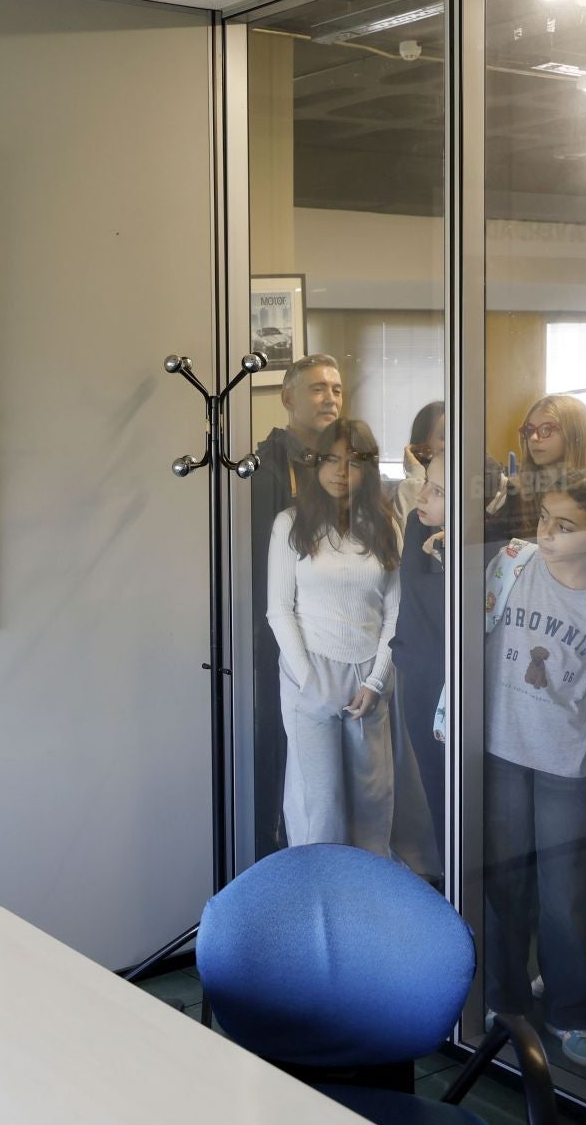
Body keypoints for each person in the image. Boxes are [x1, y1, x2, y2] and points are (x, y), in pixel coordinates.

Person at [478, 469, 586, 1070]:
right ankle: (505, 998)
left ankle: (574, 1009)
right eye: (545, 518)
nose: (547, 533)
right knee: (504, 882)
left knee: (566, 892)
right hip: (498, 746)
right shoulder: (512, 563)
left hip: (566, 759)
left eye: (565, 526)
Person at [267, 418, 435, 874]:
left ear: (367, 469)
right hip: (310, 674)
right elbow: (279, 610)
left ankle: (366, 912)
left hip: (370, 677)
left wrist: (377, 680)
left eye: (353, 462)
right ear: (316, 464)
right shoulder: (290, 524)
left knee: (372, 803)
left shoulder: (383, 525)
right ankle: (318, 903)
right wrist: (310, 682)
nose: (340, 472)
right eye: (331, 460)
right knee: (319, 807)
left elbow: (394, 613)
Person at [249, 354, 345, 855]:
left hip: (341, 634)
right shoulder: (262, 469)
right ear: (287, 398)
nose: (330, 397)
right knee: (278, 746)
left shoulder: (347, 468)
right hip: (277, 632)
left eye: (336, 389)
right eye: (317, 389)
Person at [391, 449, 449, 861]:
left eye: (439, 490)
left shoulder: (485, 541)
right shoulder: (416, 523)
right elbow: (410, 599)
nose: (423, 495)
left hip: (459, 679)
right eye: (426, 483)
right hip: (419, 675)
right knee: (435, 785)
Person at [489, 393, 586, 543]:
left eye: (546, 429)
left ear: (575, 434)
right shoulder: (515, 491)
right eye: (529, 430)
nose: (533, 438)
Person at [390, 400, 445, 539]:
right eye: (443, 437)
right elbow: (410, 542)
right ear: (422, 445)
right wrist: (414, 476)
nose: (454, 440)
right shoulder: (408, 488)